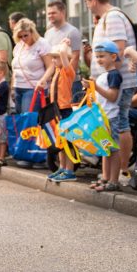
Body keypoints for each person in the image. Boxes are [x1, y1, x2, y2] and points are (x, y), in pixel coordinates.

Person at [84, 0, 137, 182]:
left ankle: (121, 171)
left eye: (87, 1)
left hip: (118, 82)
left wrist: (104, 77)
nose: (88, 6)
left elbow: (118, 50)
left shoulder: (113, 17)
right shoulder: (106, 18)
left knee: (121, 124)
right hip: (108, 82)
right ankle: (112, 172)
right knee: (113, 125)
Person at [84, 41, 123, 192]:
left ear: (113, 57)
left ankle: (114, 180)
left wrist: (95, 87)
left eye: (102, 56)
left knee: (112, 150)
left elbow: (112, 97)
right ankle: (105, 177)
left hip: (110, 118)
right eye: (97, 57)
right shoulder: (105, 74)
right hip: (102, 117)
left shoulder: (114, 75)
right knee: (104, 149)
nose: (99, 59)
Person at [47, 42, 78, 183]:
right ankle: (62, 167)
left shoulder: (67, 71)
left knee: (68, 142)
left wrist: (64, 44)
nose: (54, 60)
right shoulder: (57, 71)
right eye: (53, 58)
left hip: (65, 110)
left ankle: (70, 170)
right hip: (57, 110)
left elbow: (64, 54)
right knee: (61, 142)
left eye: (56, 57)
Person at [12, 18, 54, 113]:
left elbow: (51, 66)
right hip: (18, 86)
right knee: (21, 121)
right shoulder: (19, 45)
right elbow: (15, 69)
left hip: (34, 87)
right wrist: (12, 88)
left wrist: (43, 80)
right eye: (20, 36)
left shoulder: (42, 44)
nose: (23, 38)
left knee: (29, 120)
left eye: (25, 35)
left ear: (32, 32)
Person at [44, 0, 83, 102]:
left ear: (62, 12)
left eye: (53, 13)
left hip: (71, 83)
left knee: (70, 114)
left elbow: (75, 57)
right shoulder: (48, 33)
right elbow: (49, 59)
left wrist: (68, 81)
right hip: (55, 82)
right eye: (48, 13)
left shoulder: (72, 32)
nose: (50, 16)